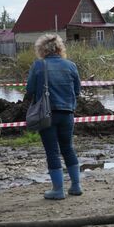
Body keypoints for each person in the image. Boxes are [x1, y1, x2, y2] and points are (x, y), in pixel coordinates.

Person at [26, 34, 82, 200]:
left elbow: (29, 90)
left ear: (42, 50)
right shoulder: (71, 66)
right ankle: (76, 186)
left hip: (46, 114)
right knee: (68, 148)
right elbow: (77, 91)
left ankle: (58, 190)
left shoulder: (38, 66)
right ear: (59, 48)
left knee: (52, 151)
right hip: (67, 113)